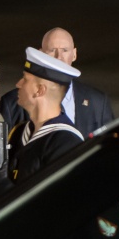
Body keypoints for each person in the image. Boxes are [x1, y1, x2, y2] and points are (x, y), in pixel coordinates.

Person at [0, 27, 114, 138]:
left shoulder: (98, 102)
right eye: (52, 50)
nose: (59, 57)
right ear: (40, 54)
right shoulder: (12, 103)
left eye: (65, 50)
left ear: (74, 54)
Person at [6, 48, 85, 186]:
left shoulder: (66, 143)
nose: (18, 84)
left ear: (39, 90)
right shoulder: (18, 132)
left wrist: (3, 191)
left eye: (24, 79)